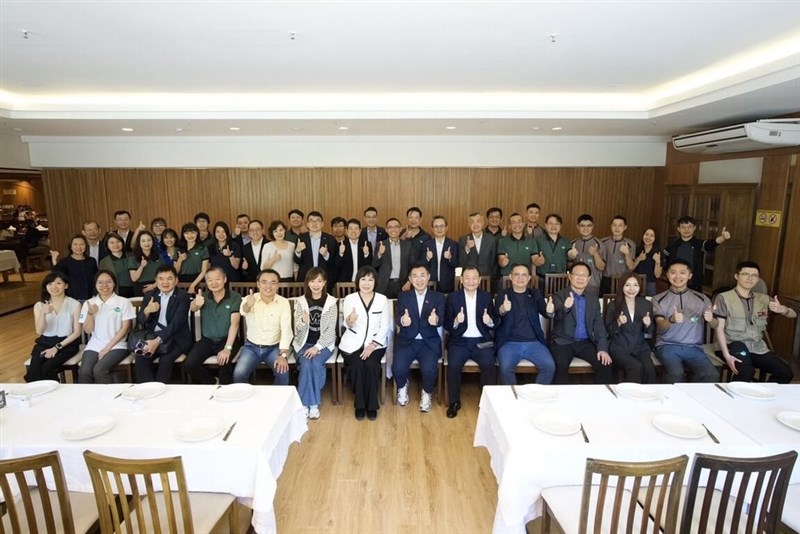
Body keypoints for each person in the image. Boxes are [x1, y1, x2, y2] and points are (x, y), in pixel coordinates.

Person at [713, 261, 795, 383]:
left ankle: (762, 394)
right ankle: (733, 399)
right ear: (737, 276)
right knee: (746, 371)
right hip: (732, 344)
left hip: (757, 347)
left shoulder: (763, 299)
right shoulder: (724, 298)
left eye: (754, 275)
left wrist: (782, 309)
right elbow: (719, 328)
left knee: (785, 373)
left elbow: (793, 314)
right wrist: (726, 355)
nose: (750, 278)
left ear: (758, 279)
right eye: (745, 274)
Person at [652, 260, 719, 383]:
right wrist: (671, 320)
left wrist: (710, 320)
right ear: (667, 275)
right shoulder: (658, 299)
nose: (677, 276)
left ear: (690, 275)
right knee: (676, 374)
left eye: (682, 273)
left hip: (694, 347)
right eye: (673, 273)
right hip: (667, 346)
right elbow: (660, 325)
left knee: (711, 374)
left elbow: (715, 324)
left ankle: (696, 400)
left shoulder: (702, 298)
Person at [444, 266, 497, 418]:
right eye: (467, 278)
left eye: (474, 278)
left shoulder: (486, 297)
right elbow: (447, 324)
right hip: (459, 341)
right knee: (453, 366)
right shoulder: (453, 297)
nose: (471, 281)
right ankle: (454, 402)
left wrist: (489, 322)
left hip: (481, 341)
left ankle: (487, 402)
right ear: (461, 280)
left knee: (488, 365)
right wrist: (455, 321)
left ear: (479, 280)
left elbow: (496, 321)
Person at [339, 266, 390, 421]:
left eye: (370, 279)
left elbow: (385, 326)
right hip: (352, 342)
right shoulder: (350, 299)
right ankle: (360, 405)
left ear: (375, 282)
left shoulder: (382, 299)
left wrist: (372, 345)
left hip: (375, 344)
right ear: (358, 281)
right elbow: (346, 324)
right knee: (357, 366)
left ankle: (372, 406)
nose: (366, 283)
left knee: (371, 365)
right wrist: (349, 321)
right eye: (363, 279)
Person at [393, 263, 445, 413]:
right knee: (397, 368)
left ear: (428, 277)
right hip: (407, 340)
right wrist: (403, 321)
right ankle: (402, 387)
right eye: (415, 276)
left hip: (428, 341)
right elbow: (398, 318)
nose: (419, 279)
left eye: (423, 275)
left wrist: (436, 320)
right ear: (410, 279)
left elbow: (441, 319)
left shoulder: (438, 297)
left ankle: (427, 393)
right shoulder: (404, 296)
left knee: (429, 370)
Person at [550, 262, 613, 385]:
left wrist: (603, 348)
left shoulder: (593, 299)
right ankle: (563, 401)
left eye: (584, 275)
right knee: (560, 365)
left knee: (605, 363)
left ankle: (601, 400)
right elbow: (555, 316)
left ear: (589, 278)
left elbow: (599, 326)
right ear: (569, 276)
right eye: (576, 274)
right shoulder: (559, 295)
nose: (580, 278)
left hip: (585, 343)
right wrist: (565, 307)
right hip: (562, 342)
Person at [495, 263, 555, 385]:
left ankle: (536, 395)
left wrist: (550, 311)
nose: (520, 278)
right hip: (509, 342)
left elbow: (546, 312)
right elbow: (496, 314)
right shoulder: (502, 295)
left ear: (529, 278)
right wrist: (503, 309)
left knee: (549, 367)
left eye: (524, 275)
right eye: (517, 275)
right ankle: (513, 399)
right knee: (505, 368)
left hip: (534, 342)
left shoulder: (535, 294)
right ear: (510, 277)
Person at [232, 269, 293, 384]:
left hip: (274, 347)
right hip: (251, 347)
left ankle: (278, 401)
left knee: (282, 372)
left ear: (278, 285)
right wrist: (248, 305)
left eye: (273, 282)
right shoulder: (249, 299)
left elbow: (286, 330)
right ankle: (246, 400)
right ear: (258, 284)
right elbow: (243, 311)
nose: (268, 286)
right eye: (264, 282)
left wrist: (283, 355)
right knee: (239, 374)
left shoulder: (283, 302)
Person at [133, 265, 192, 384]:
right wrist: (147, 311)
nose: (165, 282)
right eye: (161, 278)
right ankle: (148, 390)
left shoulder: (183, 297)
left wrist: (157, 341)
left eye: (169, 278)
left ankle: (160, 390)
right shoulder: (150, 296)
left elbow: (176, 324)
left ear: (176, 280)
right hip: (151, 336)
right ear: (156, 280)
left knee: (166, 359)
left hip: (176, 338)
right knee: (141, 357)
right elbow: (140, 321)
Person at [293, 268, 338, 419]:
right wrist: (302, 321)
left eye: (319, 281)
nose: (316, 284)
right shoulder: (300, 302)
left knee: (315, 362)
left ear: (325, 283)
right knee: (306, 363)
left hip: (324, 344)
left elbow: (331, 331)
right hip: (302, 343)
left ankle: (308, 404)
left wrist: (317, 347)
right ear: (307, 283)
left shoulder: (331, 303)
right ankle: (311, 404)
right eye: (312, 281)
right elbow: (296, 329)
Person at [184, 267, 242, 385]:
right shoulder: (204, 297)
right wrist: (196, 303)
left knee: (224, 363)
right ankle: (212, 382)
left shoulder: (235, 297)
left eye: (217, 279)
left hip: (228, 339)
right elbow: (193, 307)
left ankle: (225, 390)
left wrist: (227, 348)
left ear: (225, 279)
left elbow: (234, 324)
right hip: (207, 341)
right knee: (189, 364)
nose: (214, 283)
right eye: (210, 280)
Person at [78, 270, 136, 383]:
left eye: (108, 282)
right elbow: (88, 330)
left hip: (118, 345)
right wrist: (90, 314)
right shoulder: (89, 303)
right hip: (94, 345)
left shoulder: (123, 302)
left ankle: (107, 399)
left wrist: (107, 348)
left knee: (99, 370)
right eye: (100, 282)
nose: (104, 285)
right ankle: (87, 399)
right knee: (85, 372)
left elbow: (125, 328)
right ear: (95, 284)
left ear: (114, 283)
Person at [25, 272, 82, 382]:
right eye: (50, 284)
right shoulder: (39, 305)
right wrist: (43, 314)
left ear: (66, 286)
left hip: (67, 343)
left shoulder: (75, 304)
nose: (54, 287)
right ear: (46, 287)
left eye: (58, 283)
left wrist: (57, 347)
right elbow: (39, 331)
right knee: (33, 372)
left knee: (47, 368)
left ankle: (56, 395)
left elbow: (77, 333)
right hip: (44, 343)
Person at [604, 271, 656, 384]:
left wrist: (648, 324)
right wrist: (618, 322)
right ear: (622, 286)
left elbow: (650, 330)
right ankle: (631, 398)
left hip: (640, 347)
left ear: (640, 287)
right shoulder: (613, 305)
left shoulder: (646, 304)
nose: (631, 289)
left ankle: (648, 397)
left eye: (635, 285)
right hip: (619, 347)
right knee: (636, 367)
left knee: (649, 368)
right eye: (627, 285)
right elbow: (608, 331)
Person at [663, 215, 730, 291]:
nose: (686, 229)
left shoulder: (699, 244)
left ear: (694, 228)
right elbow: (665, 263)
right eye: (683, 227)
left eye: (689, 227)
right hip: (675, 283)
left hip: (694, 284)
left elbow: (711, 244)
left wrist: (722, 238)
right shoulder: (672, 246)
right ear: (678, 229)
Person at [51, 234, 99, 301]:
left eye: (82, 244)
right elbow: (57, 277)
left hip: (91, 298)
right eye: (75, 244)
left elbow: (96, 278)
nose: (78, 247)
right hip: (73, 299)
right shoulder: (65, 261)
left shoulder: (91, 261)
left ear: (86, 246)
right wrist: (54, 260)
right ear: (70, 246)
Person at [294, 211, 337, 284]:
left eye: (317, 220)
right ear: (307, 224)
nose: (314, 223)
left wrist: (326, 255)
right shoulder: (301, 238)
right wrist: (298, 251)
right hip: (306, 278)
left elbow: (334, 262)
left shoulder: (330, 239)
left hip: (324, 279)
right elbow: (297, 261)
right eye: (311, 220)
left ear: (322, 224)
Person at [373, 217, 412, 298]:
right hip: (384, 285)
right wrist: (379, 254)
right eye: (390, 227)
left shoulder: (408, 245)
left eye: (396, 227)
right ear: (386, 230)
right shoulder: (380, 244)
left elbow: (412, 266)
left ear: (400, 229)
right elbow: (374, 265)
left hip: (403, 285)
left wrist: (409, 282)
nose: (393, 229)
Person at [534, 213, 571, 293]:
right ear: (546, 225)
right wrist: (538, 261)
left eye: (557, 224)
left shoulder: (566, 241)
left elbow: (570, 255)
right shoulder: (538, 241)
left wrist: (572, 254)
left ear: (560, 226)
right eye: (551, 223)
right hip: (542, 278)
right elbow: (534, 260)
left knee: (559, 302)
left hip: (560, 279)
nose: (554, 226)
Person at [567, 214, 604, 293]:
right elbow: (568, 267)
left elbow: (602, 267)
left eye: (589, 225)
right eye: (582, 226)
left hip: (593, 285)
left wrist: (595, 254)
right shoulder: (573, 243)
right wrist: (571, 257)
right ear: (578, 227)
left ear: (593, 226)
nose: (585, 228)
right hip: (575, 285)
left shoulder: (599, 244)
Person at [599, 215, 636, 295]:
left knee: (621, 304)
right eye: (614, 225)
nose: (617, 228)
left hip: (622, 279)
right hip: (605, 279)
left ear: (625, 227)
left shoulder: (630, 244)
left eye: (620, 225)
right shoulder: (603, 242)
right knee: (604, 303)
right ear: (611, 226)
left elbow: (631, 267)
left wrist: (627, 253)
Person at [421, 215, 459, 293]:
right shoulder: (426, 245)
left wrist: (450, 258)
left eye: (442, 226)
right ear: (432, 229)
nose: (439, 229)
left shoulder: (453, 244)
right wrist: (427, 258)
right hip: (430, 284)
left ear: (446, 228)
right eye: (436, 226)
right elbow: (422, 265)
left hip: (448, 284)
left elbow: (456, 264)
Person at [497, 213, 538, 278]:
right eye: (513, 222)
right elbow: (501, 260)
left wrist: (534, 274)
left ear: (523, 224)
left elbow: (534, 260)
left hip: (525, 277)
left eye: (519, 222)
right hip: (508, 277)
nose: (517, 225)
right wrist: (502, 262)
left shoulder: (531, 241)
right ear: (509, 226)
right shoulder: (502, 241)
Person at [459, 212, 497, 278]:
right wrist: (467, 249)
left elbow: (494, 262)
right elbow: (461, 262)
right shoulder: (463, 239)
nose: (475, 224)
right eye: (472, 222)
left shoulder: (492, 240)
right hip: (470, 278)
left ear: (483, 223)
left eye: (478, 221)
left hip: (487, 277)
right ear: (469, 224)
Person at [335, 218, 372, 284]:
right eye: (351, 229)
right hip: (345, 284)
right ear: (346, 231)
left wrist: (366, 254)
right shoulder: (339, 245)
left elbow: (370, 266)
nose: (353, 231)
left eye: (356, 229)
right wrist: (341, 253)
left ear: (360, 231)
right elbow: (336, 266)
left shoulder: (366, 244)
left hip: (362, 283)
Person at [129, 230, 163, 297]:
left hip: (156, 286)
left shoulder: (159, 256)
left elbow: (164, 274)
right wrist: (141, 266)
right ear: (139, 243)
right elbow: (134, 278)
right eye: (143, 241)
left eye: (149, 240)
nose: (146, 243)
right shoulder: (133, 257)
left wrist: (154, 285)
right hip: (140, 288)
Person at [177, 222, 209, 294]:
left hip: (199, 281)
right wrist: (180, 260)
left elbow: (204, 271)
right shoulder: (178, 249)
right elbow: (175, 271)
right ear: (183, 234)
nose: (190, 236)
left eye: (192, 233)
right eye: (187, 233)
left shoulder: (203, 249)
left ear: (197, 233)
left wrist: (193, 285)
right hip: (182, 282)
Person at [99, 232, 134, 297]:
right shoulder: (104, 262)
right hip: (115, 293)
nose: (115, 245)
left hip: (134, 292)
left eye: (118, 241)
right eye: (111, 243)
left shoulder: (132, 256)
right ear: (107, 246)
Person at [633, 227, 663, 296]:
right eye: (646, 234)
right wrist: (638, 259)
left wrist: (657, 262)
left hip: (650, 284)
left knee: (650, 305)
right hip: (636, 282)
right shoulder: (637, 250)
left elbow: (657, 275)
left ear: (655, 238)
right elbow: (630, 268)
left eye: (652, 235)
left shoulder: (658, 252)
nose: (648, 237)